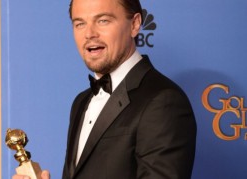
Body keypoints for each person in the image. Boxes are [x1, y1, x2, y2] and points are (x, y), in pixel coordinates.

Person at [13, 0, 197, 178]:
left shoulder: (163, 101)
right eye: (80, 24)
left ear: (134, 24)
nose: (89, 33)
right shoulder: (81, 102)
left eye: (103, 21)